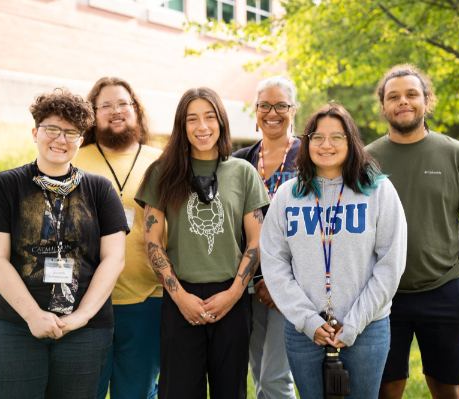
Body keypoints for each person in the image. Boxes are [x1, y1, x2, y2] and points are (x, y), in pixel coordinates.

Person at [0, 89, 128, 399]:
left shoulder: (100, 190)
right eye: (52, 129)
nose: (61, 139)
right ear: (35, 132)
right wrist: (32, 315)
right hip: (14, 325)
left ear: (81, 139)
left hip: (85, 330)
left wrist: (80, 317)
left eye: (71, 132)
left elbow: (114, 259)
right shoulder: (5, 186)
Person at [366, 64, 459, 399]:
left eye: (411, 94)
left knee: (446, 387)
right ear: (383, 106)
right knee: (385, 386)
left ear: (427, 100)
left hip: (445, 288)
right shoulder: (366, 161)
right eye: (393, 97)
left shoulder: (457, 154)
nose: (403, 102)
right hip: (382, 291)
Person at [261, 103, 407, 399]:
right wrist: (308, 320)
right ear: (307, 142)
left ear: (351, 141)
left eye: (337, 137)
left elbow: (391, 264)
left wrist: (354, 322)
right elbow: (275, 262)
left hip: (367, 328)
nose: (326, 145)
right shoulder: (288, 195)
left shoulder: (378, 190)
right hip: (304, 331)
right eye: (317, 137)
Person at [135, 87, 270, 399]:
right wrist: (181, 297)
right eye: (192, 119)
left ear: (221, 122)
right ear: (182, 126)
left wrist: (235, 293)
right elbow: (152, 241)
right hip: (181, 297)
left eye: (210, 117)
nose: (202, 126)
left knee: (230, 391)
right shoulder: (163, 172)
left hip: (233, 297)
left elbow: (256, 240)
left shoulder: (242, 172)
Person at [73, 77, 162, 399]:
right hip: (86, 300)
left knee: (136, 392)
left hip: (148, 297)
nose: (115, 111)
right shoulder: (75, 159)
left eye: (123, 103)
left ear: (136, 109)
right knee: (85, 390)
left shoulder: (161, 160)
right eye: (105, 105)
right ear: (92, 114)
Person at [233, 76, 299, 399]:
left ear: (294, 109)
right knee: (259, 374)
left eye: (281, 105)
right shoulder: (239, 161)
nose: (272, 113)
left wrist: (279, 280)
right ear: (256, 111)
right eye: (264, 105)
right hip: (248, 284)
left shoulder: (310, 158)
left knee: (275, 379)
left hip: (292, 285)